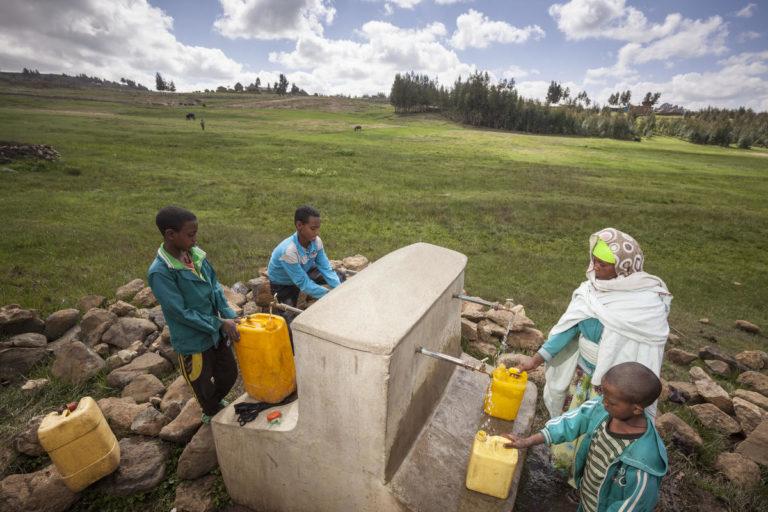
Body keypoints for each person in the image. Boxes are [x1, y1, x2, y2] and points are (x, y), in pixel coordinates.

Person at [516, 228, 671, 481]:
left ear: (623, 269)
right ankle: (568, 470)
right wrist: (534, 361)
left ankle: (593, 477)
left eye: (603, 264)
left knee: (602, 432)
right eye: (594, 261)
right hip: (582, 378)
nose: (595, 267)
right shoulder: (588, 293)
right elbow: (566, 332)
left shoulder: (644, 304)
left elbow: (645, 350)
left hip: (614, 390)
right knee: (575, 422)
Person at [502, 362, 668, 512]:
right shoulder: (602, 410)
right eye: (603, 396)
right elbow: (568, 423)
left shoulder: (644, 464)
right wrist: (526, 441)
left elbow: (634, 506)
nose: (603, 402)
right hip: (587, 502)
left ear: (637, 409)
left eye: (611, 401)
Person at [148, 206, 240, 424]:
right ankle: (210, 411)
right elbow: (179, 312)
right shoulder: (161, 272)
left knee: (229, 373)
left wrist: (228, 316)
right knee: (200, 381)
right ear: (170, 234)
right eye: (191, 235)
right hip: (193, 341)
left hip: (215, 333)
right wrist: (219, 323)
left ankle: (215, 402)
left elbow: (215, 287)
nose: (196, 239)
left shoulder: (195, 255)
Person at [268, 205, 345, 328]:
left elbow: (326, 268)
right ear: (299, 225)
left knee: (339, 277)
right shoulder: (288, 250)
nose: (317, 232)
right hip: (283, 284)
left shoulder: (316, 242)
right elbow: (303, 283)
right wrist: (329, 295)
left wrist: (340, 291)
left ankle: (334, 314)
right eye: (313, 228)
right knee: (289, 323)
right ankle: (293, 346)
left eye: (318, 228)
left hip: (303, 269)